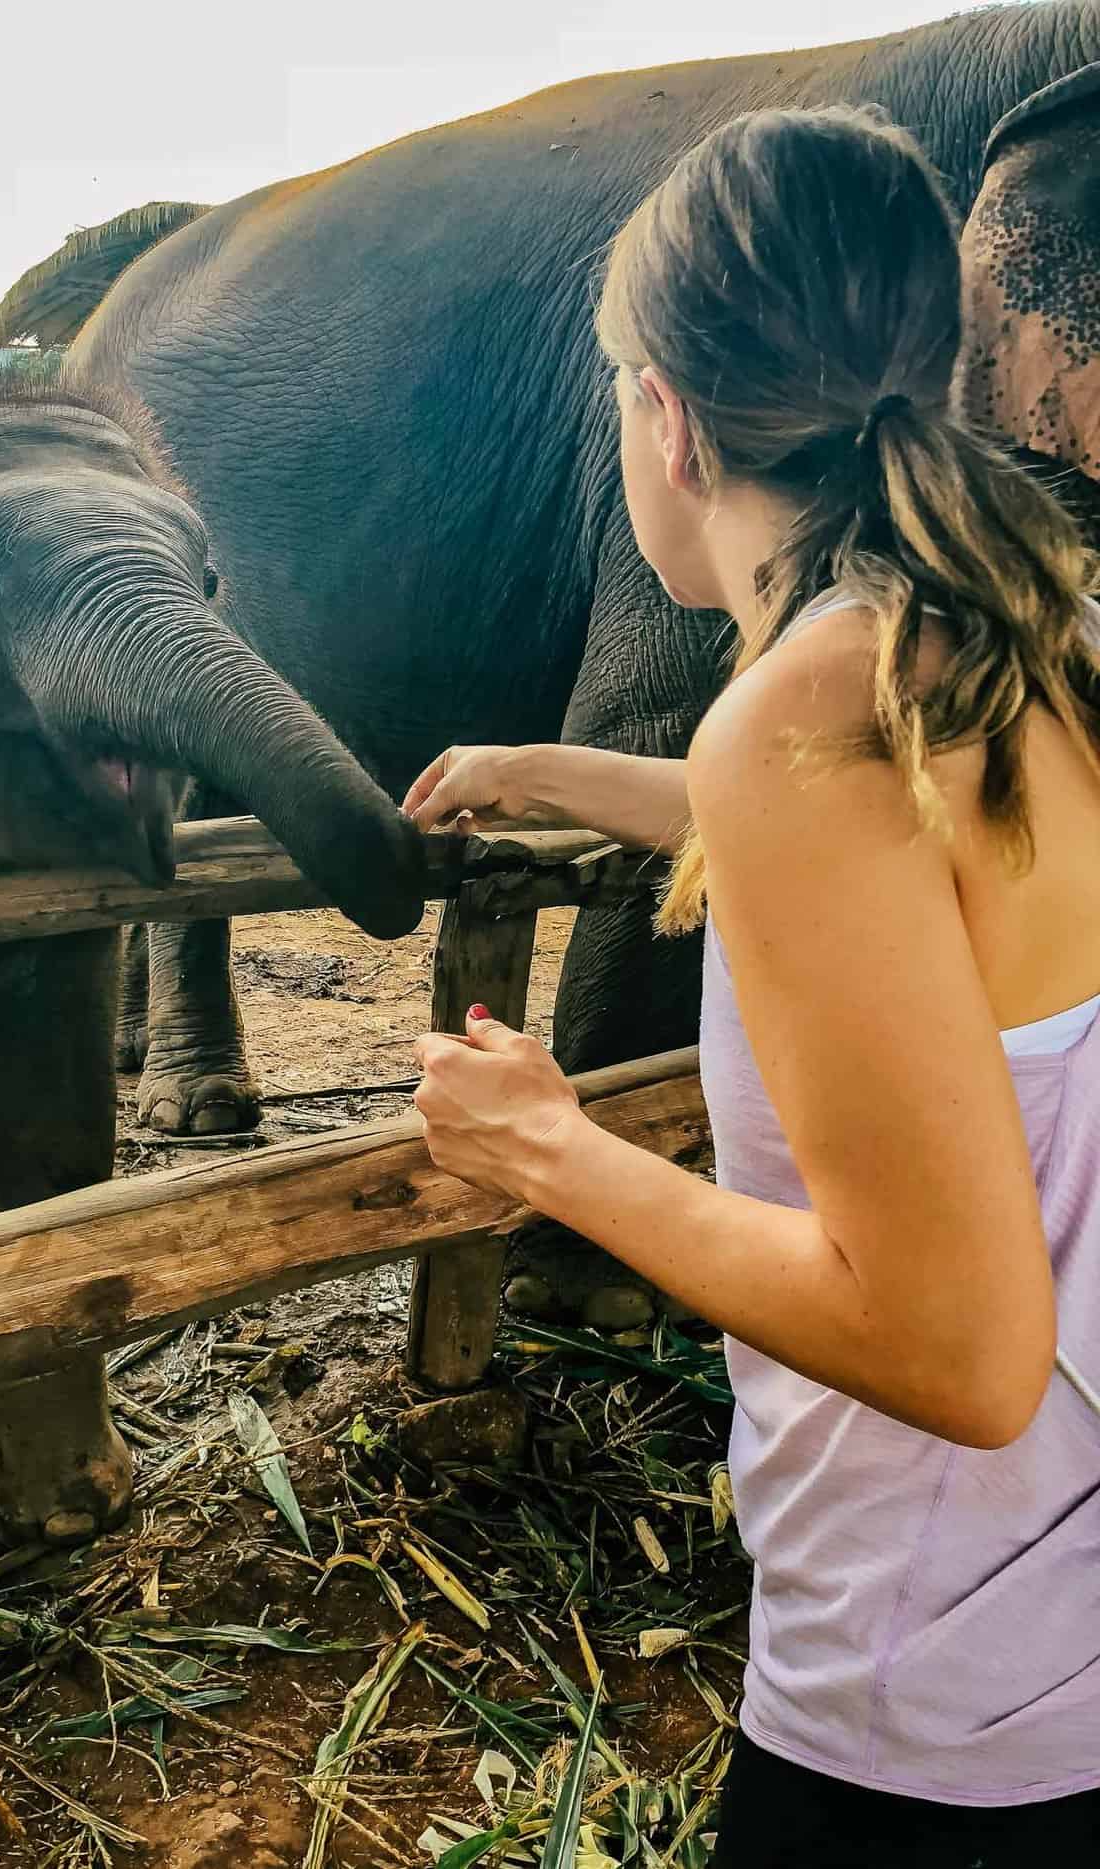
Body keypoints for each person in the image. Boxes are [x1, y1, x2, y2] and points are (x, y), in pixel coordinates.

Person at [404, 105, 1100, 1868]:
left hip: (938, 1688)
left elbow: (960, 1349)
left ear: (668, 418)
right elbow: (910, 887)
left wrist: (548, 1149)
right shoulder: (1014, 638)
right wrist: (561, 771)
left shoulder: (804, 718)